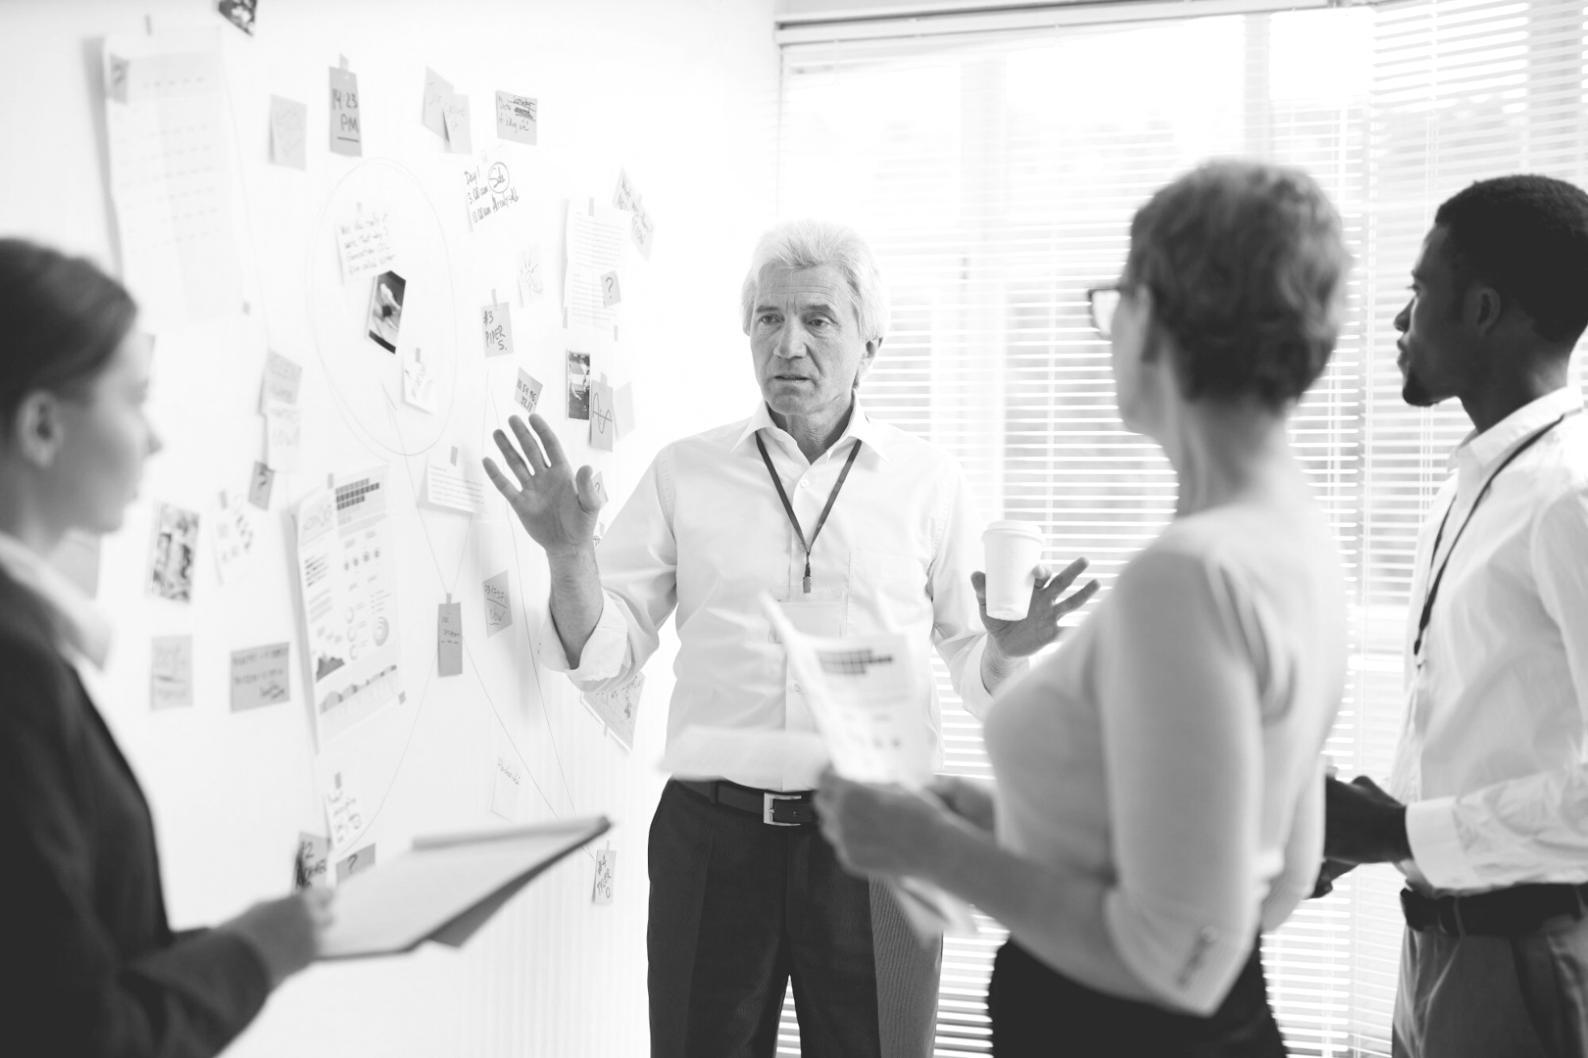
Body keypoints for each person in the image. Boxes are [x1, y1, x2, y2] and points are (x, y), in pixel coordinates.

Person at [483, 218, 1096, 1057]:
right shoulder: (685, 471)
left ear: (870, 343)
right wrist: (567, 555)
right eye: (768, 318)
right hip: (713, 835)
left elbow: (971, 661)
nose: (789, 343)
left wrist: (1006, 650)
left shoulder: (930, 483)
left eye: (818, 319)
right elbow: (607, 652)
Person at [816, 160, 1351, 1056]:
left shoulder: (1188, 577)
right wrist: (986, 816)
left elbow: (1178, 954)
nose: (1108, 331)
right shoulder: (1297, 534)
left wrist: (929, 850)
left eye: (1118, 299)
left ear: (1164, 317)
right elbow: (1276, 877)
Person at [0, 239, 333, 1055]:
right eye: (135, 399)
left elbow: (45, 968)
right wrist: (253, 957)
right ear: (42, 425)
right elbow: (79, 1038)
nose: (154, 439)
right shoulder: (14, 668)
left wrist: (239, 946)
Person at [1321, 174, 1588, 1058]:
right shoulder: (1473, 487)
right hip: (1435, 950)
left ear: (1481, 309)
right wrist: (1366, 830)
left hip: (1525, 959)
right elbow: (1494, 728)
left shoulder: (1570, 495)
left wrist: (1394, 831)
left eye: (1418, 290)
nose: (1401, 321)